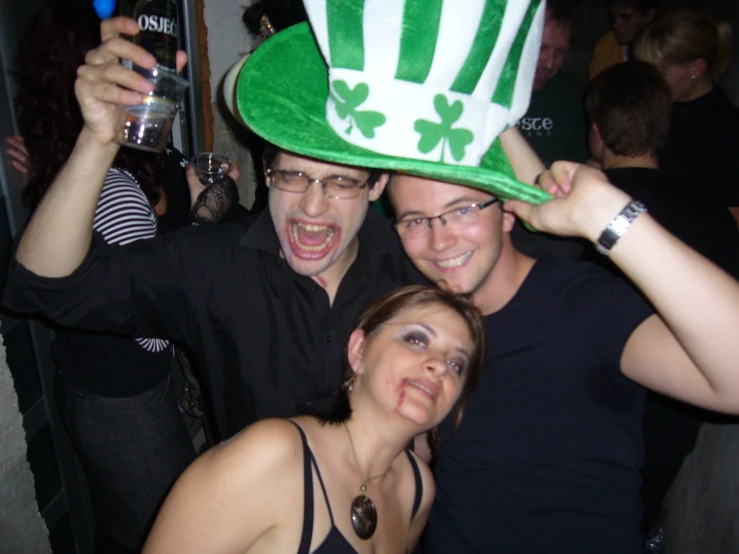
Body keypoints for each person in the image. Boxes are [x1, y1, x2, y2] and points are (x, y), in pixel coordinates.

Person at [1, 0, 547, 441]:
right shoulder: (213, 264)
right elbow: (45, 287)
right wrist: (97, 140)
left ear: (377, 186)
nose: (312, 207)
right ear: (266, 174)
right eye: (293, 177)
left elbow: (544, 272)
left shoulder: (417, 265)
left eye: (339, 181)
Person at [142, 285, 485, 554]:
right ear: (358, 351)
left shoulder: (417, 489)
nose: (439, 365)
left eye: (456, 364)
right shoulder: (271, 457)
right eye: (416, 339)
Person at [583, 59, 739, 546]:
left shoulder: (571, 215)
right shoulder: (714, 215)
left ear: (596, 134)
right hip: (674, 424)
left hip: (585, 426)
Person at [633, 9, 739, 223]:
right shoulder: (655, 107)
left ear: (696, 68)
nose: (649, 81)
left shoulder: (726, 128)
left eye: (661, 72)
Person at [512, 0, 588, 261]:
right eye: (540, 49)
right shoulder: (495, 92)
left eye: (560, 53)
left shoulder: (565, 94)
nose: (549, 63)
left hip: (547, 230)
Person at [589, 0, 659, 79]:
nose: (615, 24)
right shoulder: (605, 46)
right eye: (613, 17)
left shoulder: (663, 51)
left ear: (649, 16)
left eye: (626, 17)